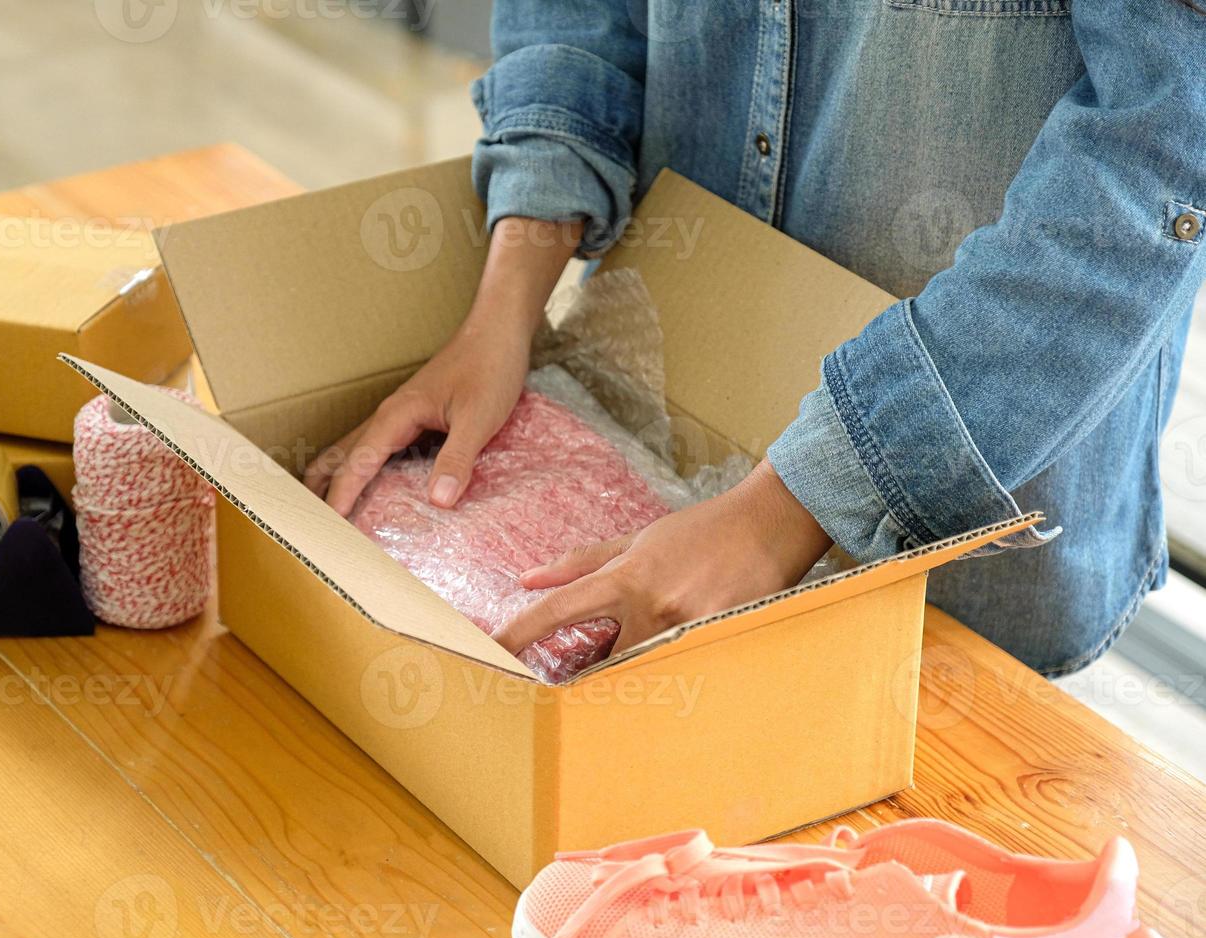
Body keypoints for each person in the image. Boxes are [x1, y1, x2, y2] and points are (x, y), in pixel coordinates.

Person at [306, 0, 1205, 675]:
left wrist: (781, 517)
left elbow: (1157, 161)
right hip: (654, 415)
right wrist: (504, 309)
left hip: (954, 573)